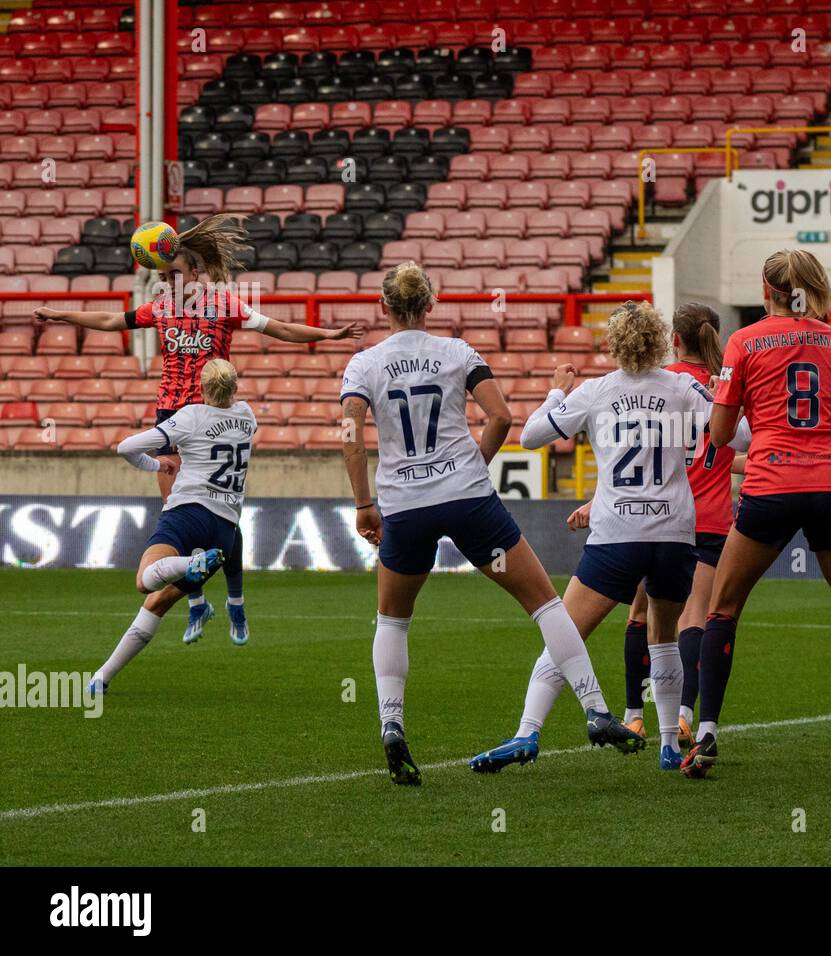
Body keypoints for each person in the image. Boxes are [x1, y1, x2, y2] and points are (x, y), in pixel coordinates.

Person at [339, 262, 637, 786]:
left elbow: (351, 436)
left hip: (405, 508)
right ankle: (595, 709)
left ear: (383, 308)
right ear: (430, 305)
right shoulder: (457, 352)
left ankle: (391, 725)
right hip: (468, 499)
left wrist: (365, 504)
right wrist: (473, 464)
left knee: (393, 619)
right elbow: (501, 416)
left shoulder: (363, 364)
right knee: (544, 602)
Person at [35, 213, 360, 646]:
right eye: (160, 276)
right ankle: (196, 602)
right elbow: (114, 321)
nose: (165, 282)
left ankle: (236, 601)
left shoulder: (225, 305)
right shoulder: (161, 308)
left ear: (194, 271)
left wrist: (331, 335)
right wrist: (60, 315)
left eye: (171, 274)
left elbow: (279, 328)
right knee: (177, 515)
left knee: (219, 512)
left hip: (212, 416)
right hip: (170, 416)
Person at [470, 301, 744, 773]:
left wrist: (558, 394)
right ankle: (668, 746)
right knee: (664, 638)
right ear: (661, 342)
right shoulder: (683, 387)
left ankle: (527, 733)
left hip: (617, 533)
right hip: (676, 534)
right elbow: (739, 437)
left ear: (614, 344)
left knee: (565, 634)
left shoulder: (596, 392)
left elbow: (533, 436)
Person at [681, 249, 831, 782]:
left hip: (770, 486)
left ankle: (706, 733)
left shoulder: (744, 341)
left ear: (766, 289)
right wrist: (830, 464)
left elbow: (722, 434)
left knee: (723, 609)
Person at [598, 303, 746, 752]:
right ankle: (683, 717)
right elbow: (740, 445)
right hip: (712, 517)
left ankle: (634, 715)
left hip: (654, 515)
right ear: (715, 336)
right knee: (694, 618)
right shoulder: (723, 387)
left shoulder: (660, 383)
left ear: (675, 340)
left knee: (640, 615)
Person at [87, 359, 254, 694]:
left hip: (187, 514)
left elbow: (126, 448)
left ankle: (188, 565)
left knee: (145, 582)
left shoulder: (192, 415)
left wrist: (156, 464)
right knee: (158, 603)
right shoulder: (248, 416)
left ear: (202, 389)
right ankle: (101, 678)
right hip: (223, 530)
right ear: (235, 388)